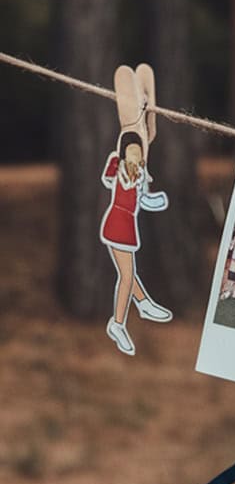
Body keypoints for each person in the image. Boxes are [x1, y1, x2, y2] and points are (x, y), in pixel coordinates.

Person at [100, 131, 172, 356]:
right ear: (124, 152)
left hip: (128, 226)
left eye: (138, 151)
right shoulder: (119, 167)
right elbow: (108, 177)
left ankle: (143, 303)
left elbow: (144, 200)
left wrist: (156, 199)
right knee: (127, 275)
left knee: (128, 273)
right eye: (131, 150)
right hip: (116, 223)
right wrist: (117, 158)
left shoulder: (140, 174)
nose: (135, 154)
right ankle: (118, 323)